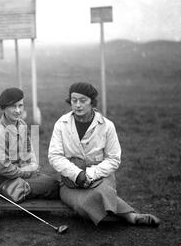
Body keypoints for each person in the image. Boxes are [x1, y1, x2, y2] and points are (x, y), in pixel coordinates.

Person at [48, 82, 160, 227]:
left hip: (100, 177)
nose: (78, 105)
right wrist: (77, 175)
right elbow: (54, 156)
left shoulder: (107, 126)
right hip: (70, 182)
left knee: (101, 193)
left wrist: (90, 174)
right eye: (74, 100)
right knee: (82, 204)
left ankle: (131, 217)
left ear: (92, 102)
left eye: (83, 101)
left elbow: (114, 159)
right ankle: (124, 215)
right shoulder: (61, 124)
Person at [0, 87, 59, 202]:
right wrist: (28, 172)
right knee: (55, 186)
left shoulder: (21, 124)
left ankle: (28, 191)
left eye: (20, 105)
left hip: (21, 173)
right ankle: (21, 192)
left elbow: (28, 149)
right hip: (5, 181)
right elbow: (2, 168)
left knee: (54, 184)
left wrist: (33, 165)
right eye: (13, 106)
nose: (18, 110)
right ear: (3, 108)